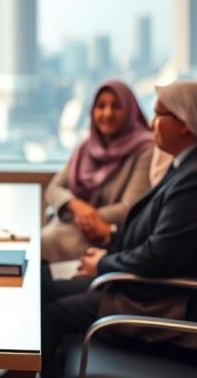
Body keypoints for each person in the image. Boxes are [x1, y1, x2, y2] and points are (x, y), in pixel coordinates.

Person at [39, 81, 197, 378]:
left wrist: (102, 264)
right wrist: (111, 241)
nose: (151, 123)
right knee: (45, 289)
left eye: (160, 115)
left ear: (185, 124)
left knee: (50, 314)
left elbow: (160, 257)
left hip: (160, 302)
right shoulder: (192, 165)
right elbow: (157, 236)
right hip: (150, 286)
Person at [41, 80, 154, 262]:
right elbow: (54, 189)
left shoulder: (146, 149)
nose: (107, 113)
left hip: (107, 236)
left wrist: (86, 217)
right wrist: (77, 207)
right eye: (101, 106)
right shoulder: (86, 146)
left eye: (116, 106)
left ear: (130, 110)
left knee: (42, 247)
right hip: (73, 226)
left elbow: (130, 208)